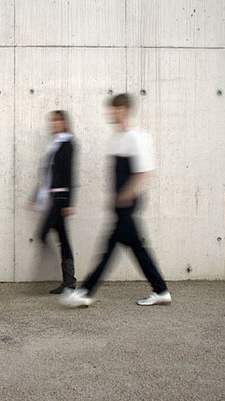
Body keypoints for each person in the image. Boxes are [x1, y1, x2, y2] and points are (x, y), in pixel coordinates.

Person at [60, 94, 171, 307]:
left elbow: (145, 171)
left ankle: (85, 292)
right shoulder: (118, 138)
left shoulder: (135, 137)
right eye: (111, 110)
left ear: (125, 111)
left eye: (115, 109)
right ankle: (161, 290)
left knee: (109, 249)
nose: (111, 113)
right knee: (136, 249)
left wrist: (126, 195)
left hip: (127, 202)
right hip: (120, 204)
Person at [30, 110, 77, 294]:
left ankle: (68, 281)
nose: (55, 124)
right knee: (64, 239)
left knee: (43, 234)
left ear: (65, 123)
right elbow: (46, 175)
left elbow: (70, 173)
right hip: (52, 197)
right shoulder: (55, 145)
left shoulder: (68, 144)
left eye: (59, 121)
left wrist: (69, 202)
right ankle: (69, 282)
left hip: (61, 198)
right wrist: (36, 198)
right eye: (53, 121)